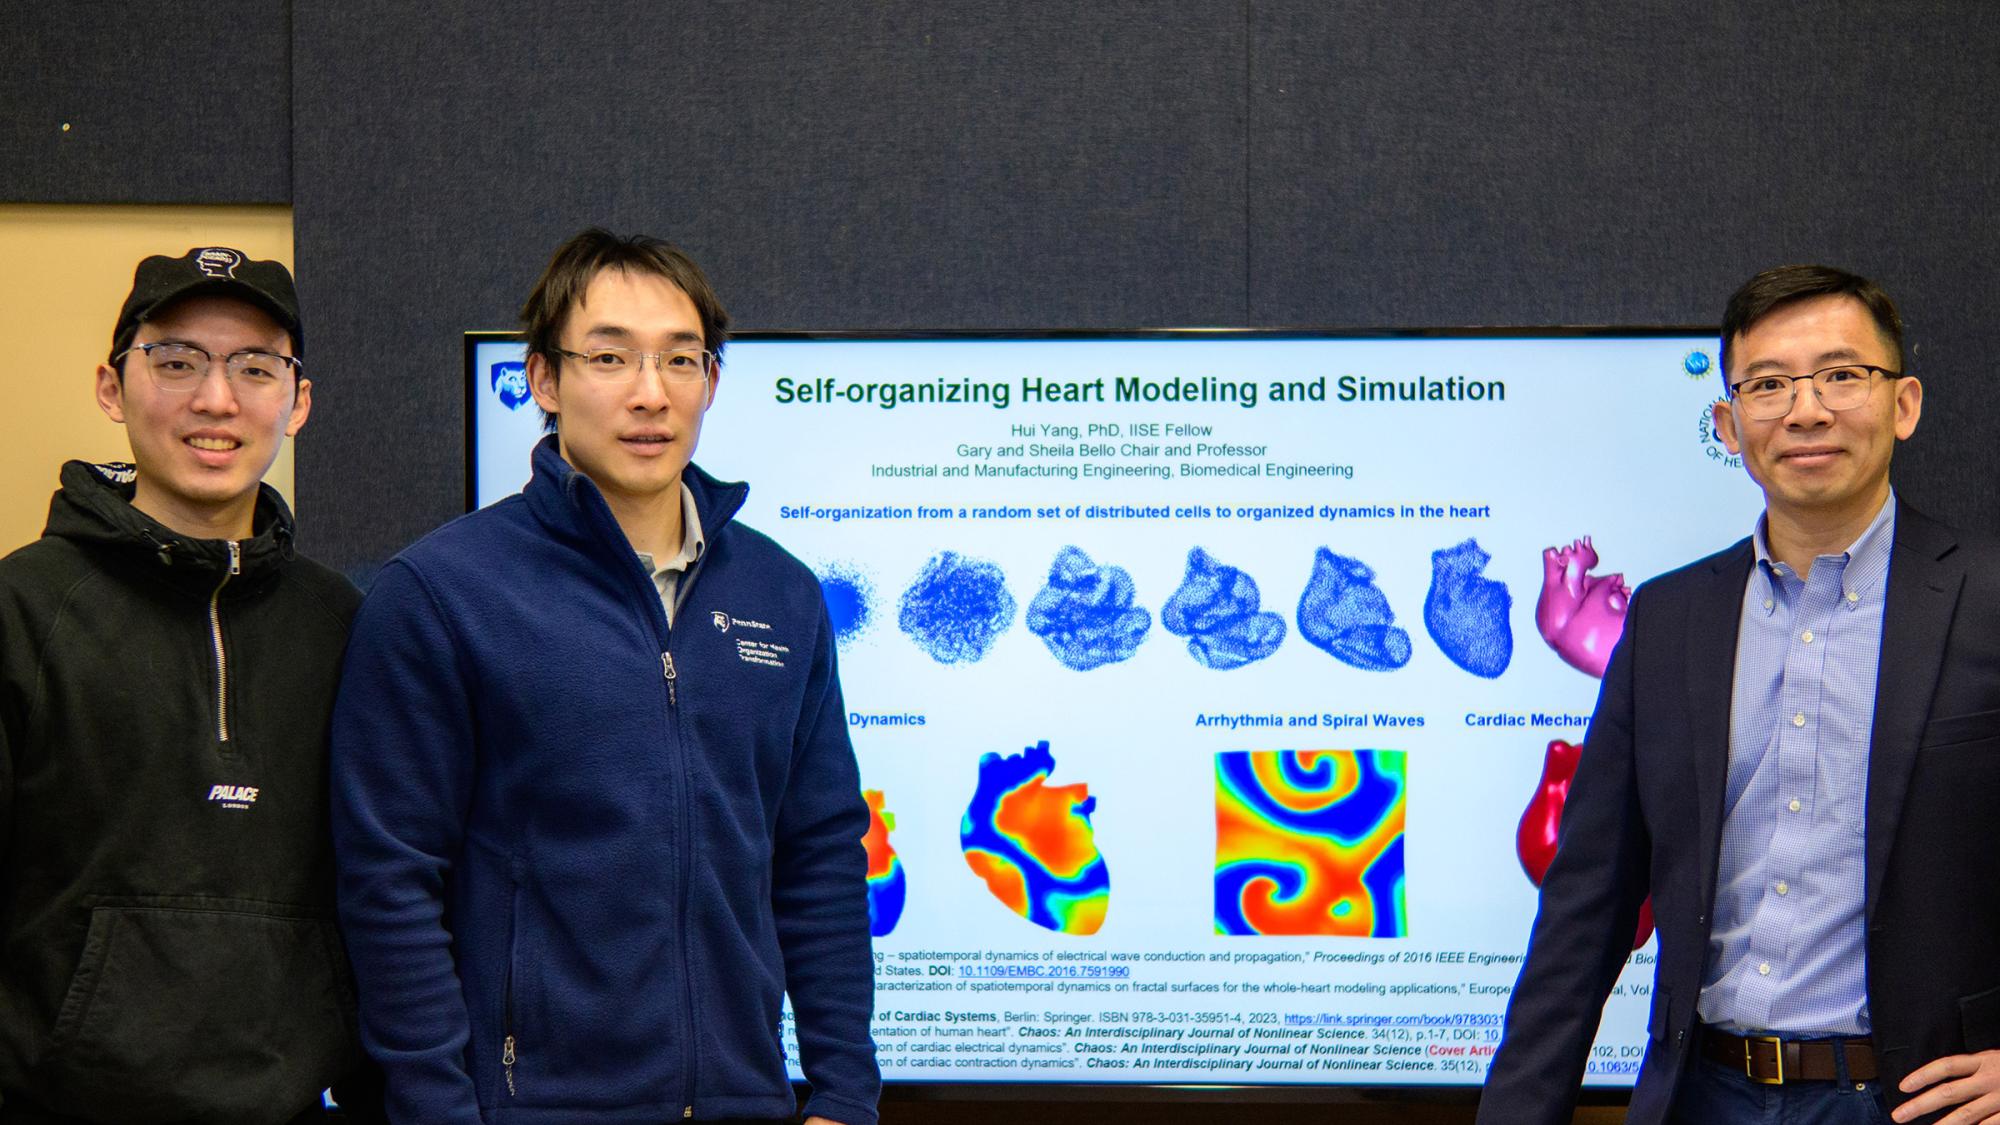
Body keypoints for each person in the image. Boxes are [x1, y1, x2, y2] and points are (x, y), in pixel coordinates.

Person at [330, 229, 880, 1125]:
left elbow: (818, 855)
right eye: (610, 356)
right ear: (543, 380)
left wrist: (846, 1097)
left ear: (711, 380)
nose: (650, 393)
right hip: (529, 1107)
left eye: (680, 359)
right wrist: (437, 1108)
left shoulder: (782, 594)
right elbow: (389, 881)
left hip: (746, 1102)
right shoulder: (441, 594)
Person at [1476, 264, 2000, 1125]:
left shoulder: (1984, 598)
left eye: (1842, 375)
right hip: (1702, 1094)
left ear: (1903, 404)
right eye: (1768, 385)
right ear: (1728, 423)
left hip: (1907, 1103)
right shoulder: (1669, 618)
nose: (1806, 410)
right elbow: (1585, 909)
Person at [0, 248, 378, 1122]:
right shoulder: (24, 611)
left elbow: (386, 899)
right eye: (177, 363)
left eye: (256, 368)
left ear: (300, 400)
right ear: (111, 386)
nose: (217, 400)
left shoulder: (348, 626)